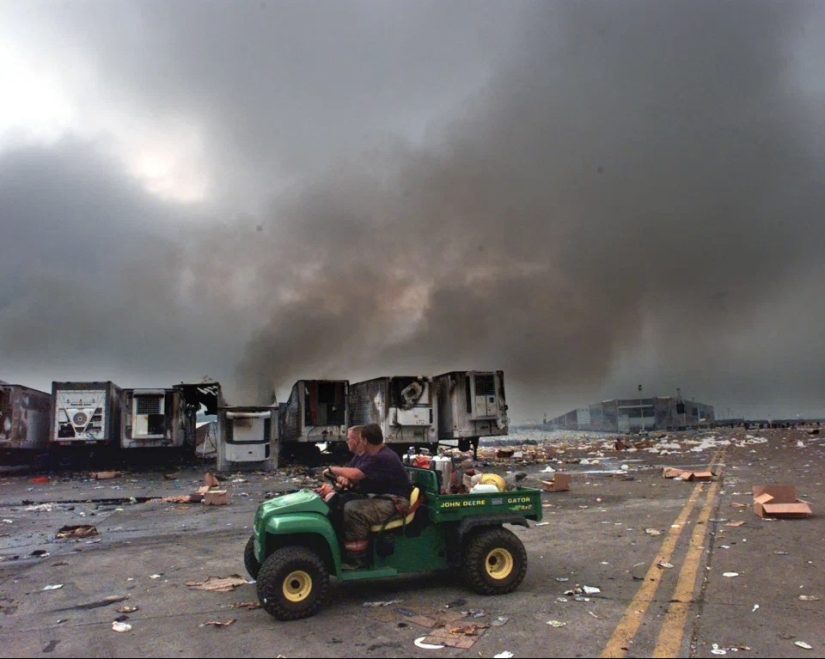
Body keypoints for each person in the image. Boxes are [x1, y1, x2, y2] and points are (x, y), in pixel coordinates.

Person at [325, 423, 411, 568]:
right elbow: (355, 476)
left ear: (365, 440)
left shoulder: (382, 457)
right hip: (383, 497)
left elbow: (356, 474)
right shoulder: (374, 456)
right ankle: (340, 549)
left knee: (353, 509)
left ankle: (357, 559)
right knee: (341, 501)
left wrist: (331, 469)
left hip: (396, 502)